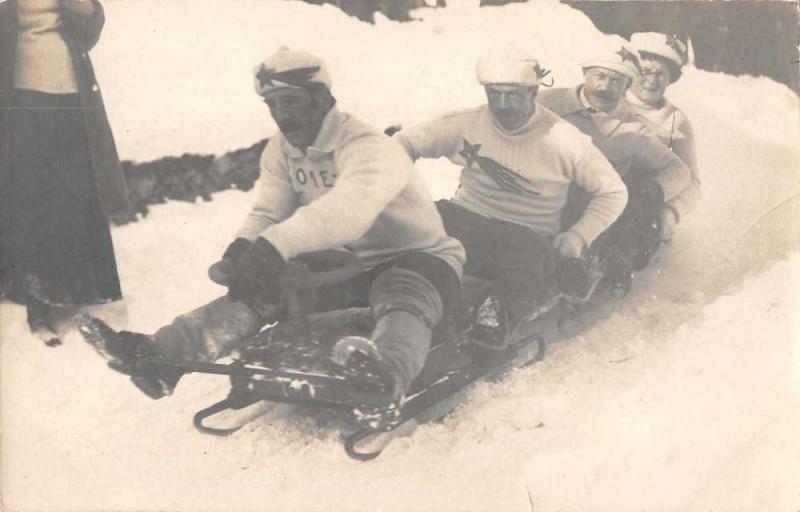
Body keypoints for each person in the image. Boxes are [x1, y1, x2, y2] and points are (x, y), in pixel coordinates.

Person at [76, 47, 465, 407]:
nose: (281, 115)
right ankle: (160, 356)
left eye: (291, 101)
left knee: (402, 296)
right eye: (271, 104)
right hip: (348, 267)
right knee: (260, 290)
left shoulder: (368, 145)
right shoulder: (282, 148)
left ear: (322, 98)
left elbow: (348, 212)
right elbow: (268, 210)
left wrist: (275, 247)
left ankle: (385, 379)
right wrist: (243, 248)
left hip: (418, 260)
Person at [394, 50, 628, 344]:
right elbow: (401, 144)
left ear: (533, 92)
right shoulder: (466, 122)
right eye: (495, 94)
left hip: (525, 234)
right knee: (407, 229)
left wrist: (577, 237)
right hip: (464, 218)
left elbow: (613, 191)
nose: (503, 105)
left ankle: (494, 314)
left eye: (514, 95)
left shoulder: (564, 139)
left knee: (530, 263)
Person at [0, 0, 130, 345]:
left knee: (75, 194)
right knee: (29, 200)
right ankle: (39, 302)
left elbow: (89, 30)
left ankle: (81, 295)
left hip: (70, 92)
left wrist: (85, 8)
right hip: (18, 98)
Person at [537, 47, 691, 283]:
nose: (606, 87)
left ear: (627, 86)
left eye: (616, 81)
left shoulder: (634, 129)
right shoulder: (545, 103)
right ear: (585, 73)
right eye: (600, 76)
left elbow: (679, 171)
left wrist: (649, 194)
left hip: (586, 210)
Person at [626, 32, 700, 242]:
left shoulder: (676, 119)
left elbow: (692, 181)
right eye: (645, 71)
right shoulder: (612, 100)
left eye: (661, 74)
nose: (652, 80)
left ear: (671, 79)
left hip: (642, 202)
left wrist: (670, 212)